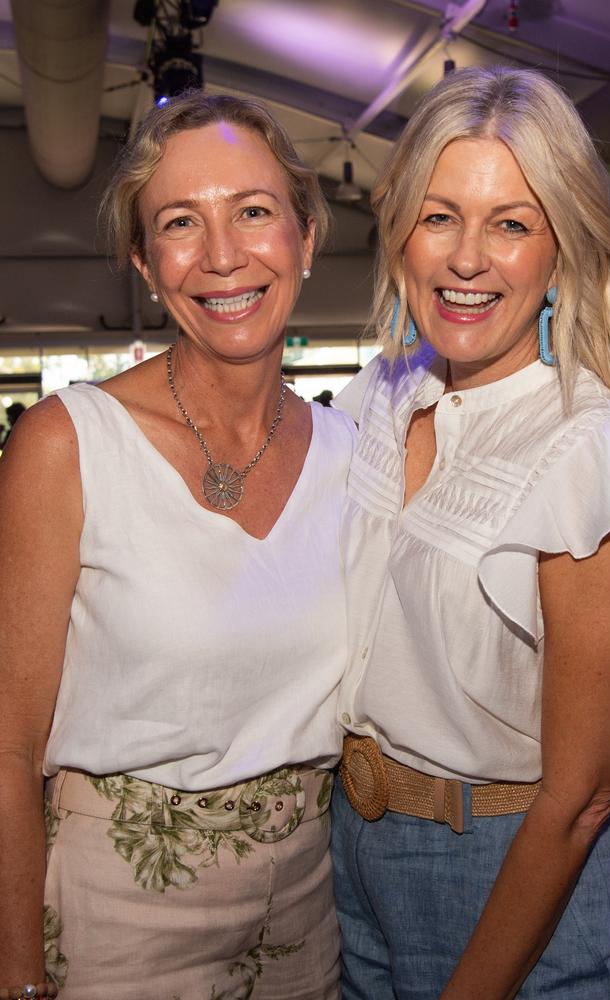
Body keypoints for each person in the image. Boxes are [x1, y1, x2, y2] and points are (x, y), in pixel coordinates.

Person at [0, 93, 356, 999]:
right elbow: (6, 746)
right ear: (144, 264)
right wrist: (17, 975)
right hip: (117, 915)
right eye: (180, 224)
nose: (224, 254)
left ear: (306, 238)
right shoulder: (66, 444)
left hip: (309, 911)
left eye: (253, 211)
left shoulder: (358, 454)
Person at [331, 65, 610, 999]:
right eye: (440, 216)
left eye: (511, 223)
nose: (467, 258)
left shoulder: (592, 454)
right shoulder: (375, 400)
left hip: (517, 877)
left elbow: (585, 794)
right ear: (402, 233)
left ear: (561, 248)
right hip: (352, 856)